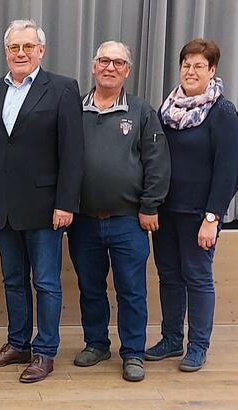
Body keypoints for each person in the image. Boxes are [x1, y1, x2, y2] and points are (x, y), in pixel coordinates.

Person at [0, 19, 84, 383]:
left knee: (47, 283)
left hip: (45, 206)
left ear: (41, 50)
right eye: (13, 47)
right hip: (3, 207)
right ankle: (17, 343)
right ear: (5, 51)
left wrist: (66, 202)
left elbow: (72, 153)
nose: (20, 53)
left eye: (27, 47)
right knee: (12, 280)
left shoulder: (63, 89)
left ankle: (45, 351)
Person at [67, 41, 171, 382]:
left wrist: (150, 205)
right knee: (90, 288)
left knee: (131, 290)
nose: (110, 67)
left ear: (127, 70)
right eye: (104, 61)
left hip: (129, 220)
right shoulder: (72, 109)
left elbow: (157, 163)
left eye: (118, 62)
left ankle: (133, 353)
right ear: (93, 66)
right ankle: (96, 343)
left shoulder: (141, 111)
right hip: (82, 221)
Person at [146, 38, 238, 372]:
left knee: (197, 277)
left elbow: (229, 170)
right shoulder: (166, 109)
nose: (190, 71)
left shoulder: (222, 112)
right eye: (186, 64)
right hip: (166, 212)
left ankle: (198, 346)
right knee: (169, 276)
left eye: (199, 65)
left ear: (212, 70)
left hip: (200, 215)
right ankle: (172, 339)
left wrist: (212, 217)